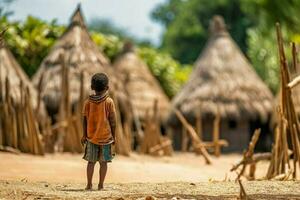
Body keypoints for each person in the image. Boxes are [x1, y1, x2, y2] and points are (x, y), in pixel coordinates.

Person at [81, 73, 116, 190]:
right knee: (104, 163)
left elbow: (84, 120)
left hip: (91, 138)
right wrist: (114, 136)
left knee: (91, 162)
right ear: (107, 88)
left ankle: (89, 184)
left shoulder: (87, 103)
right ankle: (101, 185)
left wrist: (84, 135)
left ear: (92, 87)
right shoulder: (109, 102)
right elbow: (113, 121)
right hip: (106, 139)